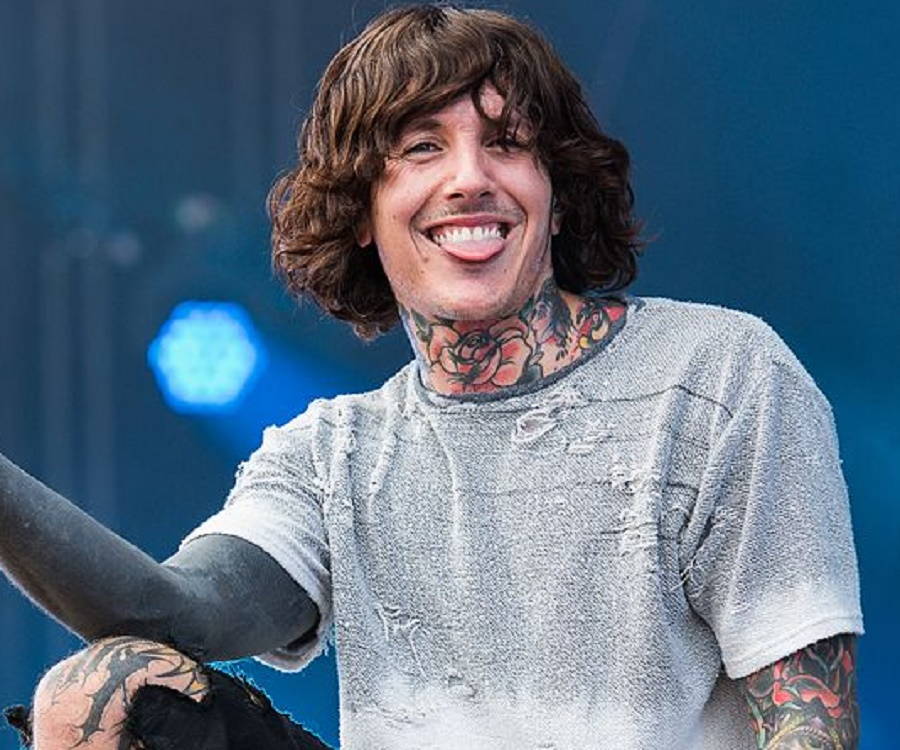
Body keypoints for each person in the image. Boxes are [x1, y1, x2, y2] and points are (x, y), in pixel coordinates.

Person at [0, 4, 863, 749]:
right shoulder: (330, 455)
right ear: (362, 211)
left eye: (507, 143)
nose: (469, 179)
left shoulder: (717, 374)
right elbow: (172, 611)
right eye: (421, 147)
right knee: (107, 687)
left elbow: (808, 720)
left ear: (557, 193)